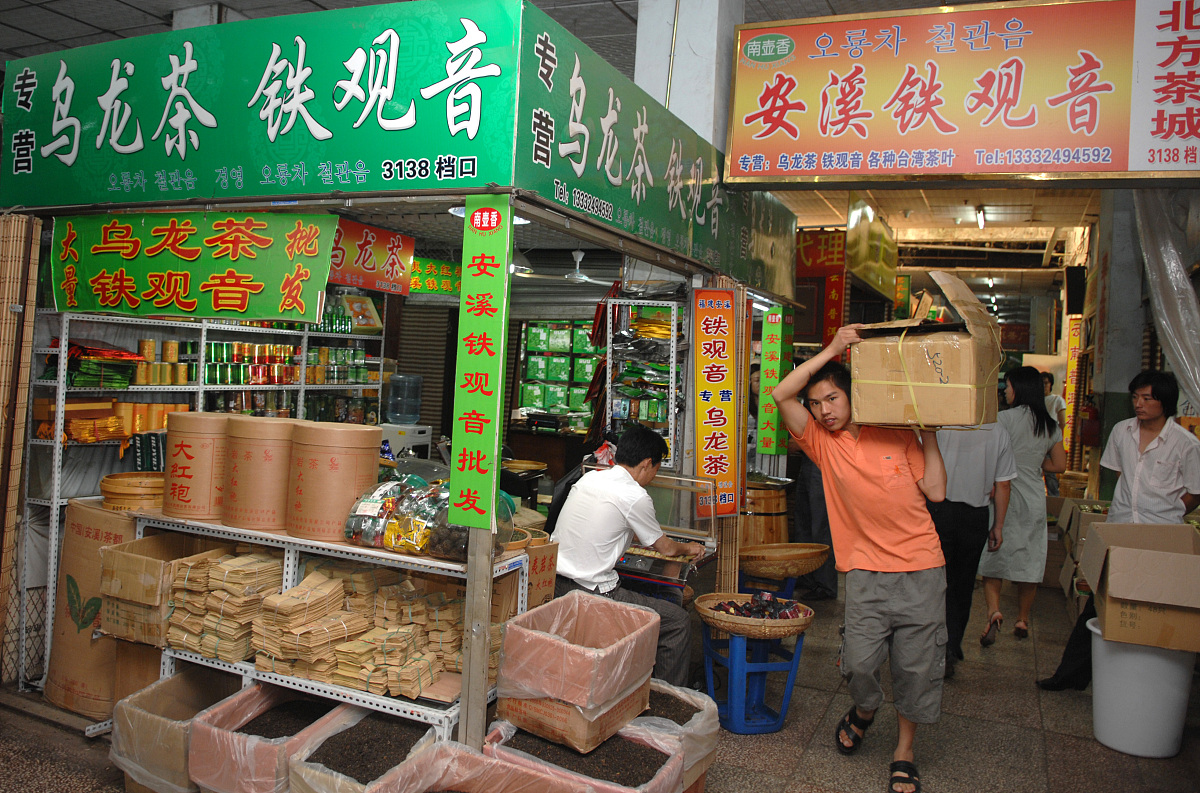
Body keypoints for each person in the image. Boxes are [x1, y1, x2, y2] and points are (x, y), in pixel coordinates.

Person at [772, 325, 946, 793]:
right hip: (866, 571)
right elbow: (779, 391)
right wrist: (831, 348)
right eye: (816, 403)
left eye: (832, 399)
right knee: (860, 664)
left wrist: (927, 433)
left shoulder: (895, 434)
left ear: (852, 396)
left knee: (916, 666)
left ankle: (905, 750)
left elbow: (937, 490)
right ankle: (865, 708)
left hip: (922, 567)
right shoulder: (821, 445)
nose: (823, 411)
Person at [1038, 370, 1200, 690]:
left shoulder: (1186, 444)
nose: (1139, 404)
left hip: (1161, 535)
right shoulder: (1122, 431)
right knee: (1101, 602)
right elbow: (1116, 474)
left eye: (1147, 398)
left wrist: (1173, 511)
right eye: (1135, 397)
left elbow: (1195, 489)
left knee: (1158, 604)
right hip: (1121, 529)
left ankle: (1149, 680)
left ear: (1164, 402)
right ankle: (1070, 676)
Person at [551, 423, 705, 687]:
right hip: (593, 594)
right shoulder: (634, 495)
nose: (654, 476)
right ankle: (668, 701)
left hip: (555, 583)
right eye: (656, 469)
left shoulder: (591, 477)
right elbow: (666, 548)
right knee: (677, 621)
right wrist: (690, 547)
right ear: (646, 463)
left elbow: (606, 525)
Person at [978, 367, 1067, 645]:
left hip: (1001, 496)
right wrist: (1034, 463)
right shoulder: (1050, 425)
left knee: (994, 555)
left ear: (1019, 389)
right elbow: (1060, 465)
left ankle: (994, 610)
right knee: (1030, 558)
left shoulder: (1001, 419)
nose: (1005, 390)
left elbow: (988, 455)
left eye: (1009, 385)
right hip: (1032, 497)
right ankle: (1023, 618)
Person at [927, 423, 1016, 678]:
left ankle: (929, 647)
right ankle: (952, 646)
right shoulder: (998, 430)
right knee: (962, 586)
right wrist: (998, 525)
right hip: (975, 516)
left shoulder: (940, 423)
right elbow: (1003, 485)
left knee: (932, 582)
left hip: (937, 510)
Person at [1042, 372, 1067, 496]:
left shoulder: (1057, 400)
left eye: (1046, 383)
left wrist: (1057, 440)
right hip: (1037, 440)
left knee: (1050, 475)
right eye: (1041, 383)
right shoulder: (1036, 401)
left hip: (1051, 441)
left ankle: (1054, 502)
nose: (1043, 386)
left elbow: (1063, 422)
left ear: (1050, 384)